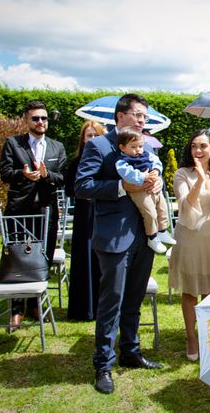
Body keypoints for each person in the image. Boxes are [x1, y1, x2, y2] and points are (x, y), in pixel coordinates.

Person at [75, 94, 164, 395]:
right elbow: (82, 186)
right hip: (113, 236)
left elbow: (156, 169)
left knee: (134, 298)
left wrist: (158, 180)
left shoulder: (147, 144)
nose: (142, 121)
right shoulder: (98, 146)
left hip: (144, 234)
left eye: (144, 117)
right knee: (110, 302)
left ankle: (131, 351)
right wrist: (120, 186)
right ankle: (103, 364)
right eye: (138, 115)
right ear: (120, 116)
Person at [168, 129, 210, 361]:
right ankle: (191, 337)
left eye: (203, 146)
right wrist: (198, 177)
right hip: (190, 238)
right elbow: (186, 206)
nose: (198, 150)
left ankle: (209, 336)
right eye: (195, 145)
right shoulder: (181, 174)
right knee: (190, 290)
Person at [0, 100, 67, 330]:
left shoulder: (57, 147)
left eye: (44, 118)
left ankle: (35, 305)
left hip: (47, 210)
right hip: (20, 209)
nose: (41, 122)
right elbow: (5, 173)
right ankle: (16, 310)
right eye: (36, 118)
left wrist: (47, 176)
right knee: (17, 258)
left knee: (43, 257)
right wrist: (23, 174)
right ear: (26, 120)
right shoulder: (13, 144)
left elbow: (63, 178)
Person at [65, 120, 106, 321]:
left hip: (101, 213)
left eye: (96, 135)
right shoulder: (76, 162)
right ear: (83, 138)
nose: (92, 139)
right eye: (88, 135)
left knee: (101, 260)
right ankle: (83, 309)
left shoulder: (107, 160)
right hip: (84, 215)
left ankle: (101, 306)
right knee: (83, 259)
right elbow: (69, 189)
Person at [115, 127, 176, 254]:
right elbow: (127, 174)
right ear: (122, 147)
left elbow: (156, 161)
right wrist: (144, 176)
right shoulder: (122, 161)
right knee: (150, 212)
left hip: (153, 187)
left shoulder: (146, 154)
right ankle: (152, 237)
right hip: (138, 191)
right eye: (134, 147)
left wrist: (156, 171)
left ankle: (162, 231)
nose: (139, 150)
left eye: (141, 146)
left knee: (163, 207)